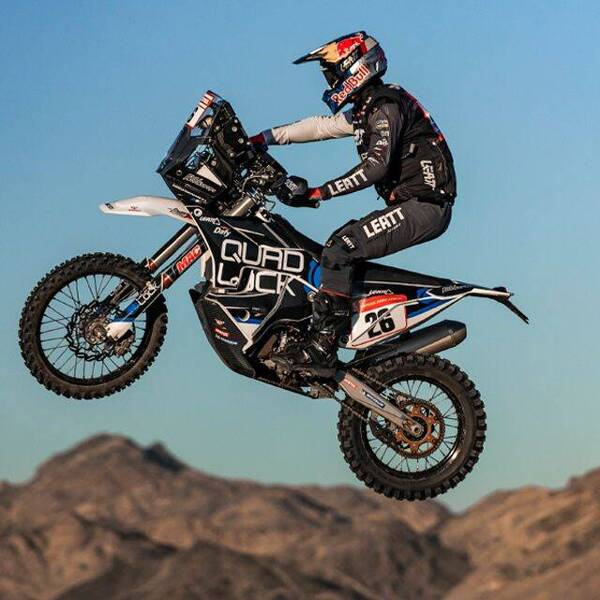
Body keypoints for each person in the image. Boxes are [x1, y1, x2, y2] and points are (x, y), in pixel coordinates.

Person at [251, 31, 456, 372]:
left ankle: (323, 346)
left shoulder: (385, 106)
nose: (330, 81)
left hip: (425, 206)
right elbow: (320, 127)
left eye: (332, 72)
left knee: (340, 249)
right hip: (413, 205)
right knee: (334, 249)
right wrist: (261, 139)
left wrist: (320, 192)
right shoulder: (367, 108)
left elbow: (376, 167)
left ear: (355, 66)